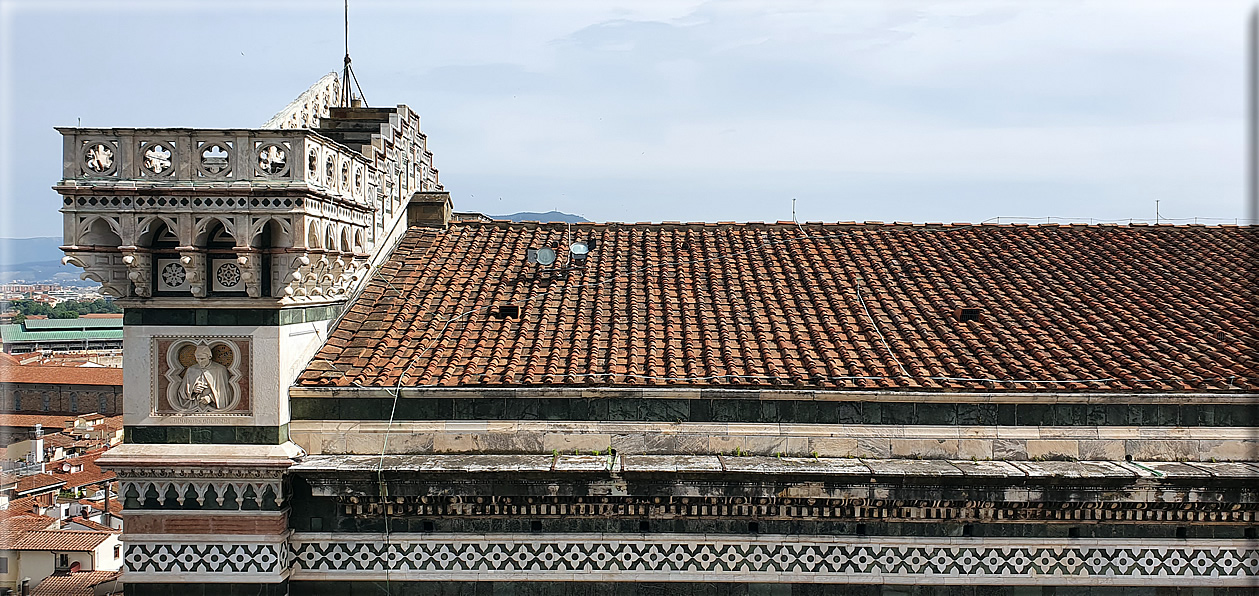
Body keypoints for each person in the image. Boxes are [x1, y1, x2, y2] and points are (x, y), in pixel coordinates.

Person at [178, 345, 230, 410]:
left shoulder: (219, 370)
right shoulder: (191, 370)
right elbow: (181, 392)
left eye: (202, 359)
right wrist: (192, 390)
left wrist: (211, 397)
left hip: (213, 407)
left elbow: (225, 391)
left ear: (209, 357)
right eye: (197, 359)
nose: (200, 361)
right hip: (194, 407)